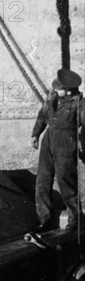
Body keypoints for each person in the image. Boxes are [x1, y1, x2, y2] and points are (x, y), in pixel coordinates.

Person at [31, 68, 85, 232]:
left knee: (66, 182)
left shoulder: (79, 103)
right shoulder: (53, 98)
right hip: (49, 139)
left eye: (58, 88)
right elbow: (42, 115)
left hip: (66, 141)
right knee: (42, 181)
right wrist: (35, 135)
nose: (55, 89)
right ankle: (44, 219)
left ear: (68, 90)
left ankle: (75, 221)